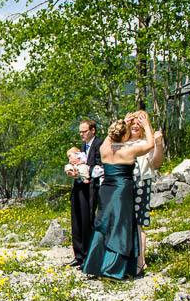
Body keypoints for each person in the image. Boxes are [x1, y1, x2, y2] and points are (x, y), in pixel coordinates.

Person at [82, 116, 155, 280]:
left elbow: (110, 137)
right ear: (124, 136)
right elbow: (150, 144)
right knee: (120, 226)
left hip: (106, 189)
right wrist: (147, 125)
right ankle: (113, 268)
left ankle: (96, 264)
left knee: (103, 224)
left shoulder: (104, 148)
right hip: (122, 191)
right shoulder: (129, 150)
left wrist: (122, 121)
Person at [121, 111, 165, 276]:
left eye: (138, 124)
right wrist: (123, 124)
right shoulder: (122, 143)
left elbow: (157, 162)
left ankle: (141, 262)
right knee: (122, 223)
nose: (134, 126)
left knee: (138, 222)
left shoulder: (149, 142)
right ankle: (125, 259)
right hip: (123, 185)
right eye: (132, 124)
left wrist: (153, 136)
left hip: (140, 184)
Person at [66, 120, 104, 268]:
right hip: (79, 184)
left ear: (93, 130)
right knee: (76, 218)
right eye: (80, 132)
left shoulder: (99, 144)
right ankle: (79, 255)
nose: (82, 134)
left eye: (84, 131)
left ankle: (89, 255)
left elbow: (101, 166)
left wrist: (86, 166)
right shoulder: (83, 146)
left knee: (87, 219)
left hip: (91, 186)